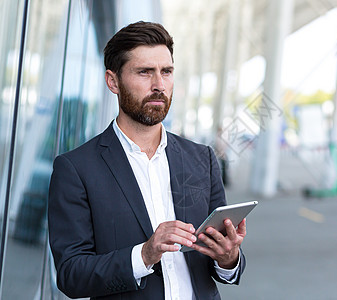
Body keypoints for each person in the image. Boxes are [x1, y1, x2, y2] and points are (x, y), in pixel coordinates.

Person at [48, 21, 246, 300]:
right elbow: (71, 274)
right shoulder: (76, 169)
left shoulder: (202, 158)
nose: (159, 85)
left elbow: (223, 263)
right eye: (145, 72)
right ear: (113, 81)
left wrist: (229, 257)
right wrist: (144, 254)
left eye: (166, 72)